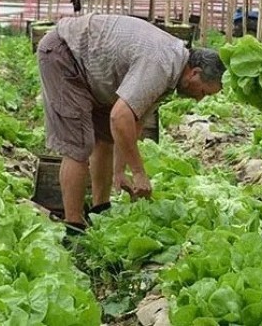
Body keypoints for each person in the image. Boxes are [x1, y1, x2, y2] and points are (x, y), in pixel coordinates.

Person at [36, 13, 225, 234]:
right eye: (203, 92)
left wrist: (120, 171)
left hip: (95, 71)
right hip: (65, 56)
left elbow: (134, 121)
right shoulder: (162, 64)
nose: (198, 99)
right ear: (195, 72)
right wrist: (139, 173)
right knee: (79, 146)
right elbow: (120, 117)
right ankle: (74, 227)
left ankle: (100, 211)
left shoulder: (172, 70)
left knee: (104, 138)